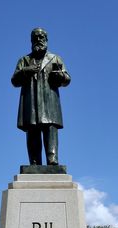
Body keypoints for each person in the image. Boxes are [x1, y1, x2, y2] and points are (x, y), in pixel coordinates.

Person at [11, 28, 71, 166]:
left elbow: (67, 78)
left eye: (42, 37)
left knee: (50, 128)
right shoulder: (24, 60)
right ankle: (34, 163)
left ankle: (52, 160)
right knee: (32, 131)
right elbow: (14, 81)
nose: (39, 39)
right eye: (36, 37)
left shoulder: (55, 58)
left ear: (46, 39)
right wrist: (26, 71)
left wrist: (60, 76)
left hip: (49, 103)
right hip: (31, 102)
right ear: (31, 41)